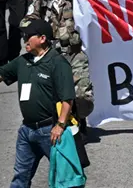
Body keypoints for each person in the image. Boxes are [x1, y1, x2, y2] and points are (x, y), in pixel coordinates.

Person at [0, 18, 77, 188]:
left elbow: (67, 98)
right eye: (23, 35)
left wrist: (60, 125)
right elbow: (2, 74)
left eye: (28, 36)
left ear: (42, 39)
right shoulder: (23, 61)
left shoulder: (57, 62)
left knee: (63, 179)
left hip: (49, 131)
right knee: (20, 177)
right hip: (26, 130)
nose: (24, 39)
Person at [23, 0, 94, 122]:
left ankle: (79, 118)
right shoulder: (40, 4)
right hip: (53, 57)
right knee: (55, 95)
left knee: (83, 95)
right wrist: (37, 27)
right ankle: (64, 124)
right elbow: (25, 22)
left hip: (75, 54)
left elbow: (94, 14)